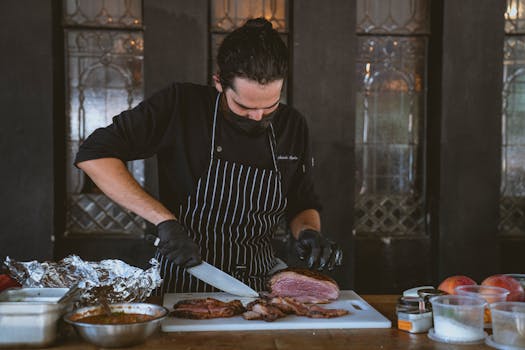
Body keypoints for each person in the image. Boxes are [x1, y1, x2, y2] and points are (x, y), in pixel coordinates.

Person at [75, 17, 343, 294]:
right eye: (244, 106)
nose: (257, 117)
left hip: (260, 287)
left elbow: (301, 201)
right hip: (183, 282)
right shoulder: (181, 105)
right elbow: (94, 155)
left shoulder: (293, 124)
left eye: (270, 106)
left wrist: (309, 232)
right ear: (218, 82)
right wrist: (164, 222)